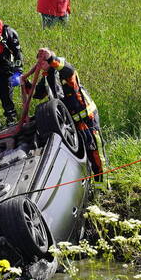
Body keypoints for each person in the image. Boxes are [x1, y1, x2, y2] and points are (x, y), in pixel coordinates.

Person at [27, 48, 107, 188]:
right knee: (79, 153)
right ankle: (88, 186)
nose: (40, 65)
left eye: (43, 62)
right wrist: (24, 83)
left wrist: (51, 57)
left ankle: (103, 187)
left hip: (86, 118)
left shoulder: (62, 70)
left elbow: (67, 68)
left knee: (95, 153)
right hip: (70, 122)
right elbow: (37, 94)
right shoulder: (47, 77)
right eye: (39, 63)